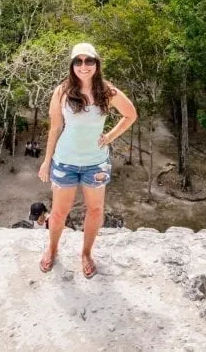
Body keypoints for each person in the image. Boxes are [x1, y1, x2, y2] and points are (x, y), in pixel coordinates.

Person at [38, 42, 137, 278]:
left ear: (96, 64)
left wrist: (110, 136)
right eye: (78, 61)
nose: (84, 66)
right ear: (72, 65)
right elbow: (55, 127)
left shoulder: (107, 91)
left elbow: (131, 114)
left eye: (89, 61)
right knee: (60, 212)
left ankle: (86, 253)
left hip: (96, 163)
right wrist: (46, 160)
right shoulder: (62, 91)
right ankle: (52, 249)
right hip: (66, 160)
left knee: (95, 209)